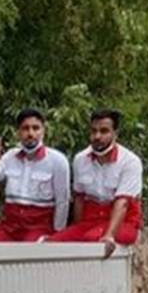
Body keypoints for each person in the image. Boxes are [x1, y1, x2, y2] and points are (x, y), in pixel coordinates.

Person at [48, 108, 143, 256]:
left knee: (91, 240)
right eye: (94, 131)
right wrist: (76, 230)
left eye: (104, 131)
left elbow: (123, 202)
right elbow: (79, 198)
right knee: (51, 245)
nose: (97, 136)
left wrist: (109, 235)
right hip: (90, 221)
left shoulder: (130, 162)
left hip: (123, 223)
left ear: (115, 134)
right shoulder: (80, 159)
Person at [0, 108, 71, 241]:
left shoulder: (58, 161)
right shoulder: (10, 156)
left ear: (43, 131)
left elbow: (62, 201)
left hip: (39, 227)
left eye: (35, 128)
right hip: (10, 226)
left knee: (29, 256)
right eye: (25, 128)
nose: (30, 133)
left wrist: (56, 235)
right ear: (18, 132)